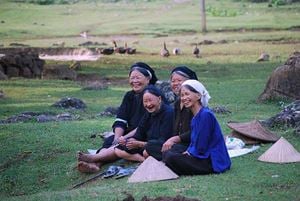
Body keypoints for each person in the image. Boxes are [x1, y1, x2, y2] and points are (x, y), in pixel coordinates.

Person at [77, 62, 158, 173]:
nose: (134, 81)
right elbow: (121, 119)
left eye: (138, 77)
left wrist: (124, 138)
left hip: (145, 134)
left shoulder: (151, 96)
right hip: (130, 132)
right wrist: (117, 137)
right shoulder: (129, 96)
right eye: (132, 78)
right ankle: (96, 165)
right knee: (111, 140)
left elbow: (144, 125)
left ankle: (94, 158)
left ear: (148, 79)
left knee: (122, 144)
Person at [163, 80, 231, 175]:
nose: (184, 98)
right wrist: (188, 151)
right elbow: (194, 141)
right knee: (168, 151)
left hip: (211, 160)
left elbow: (202, 145)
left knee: (171, 157)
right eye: (182, 95)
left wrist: (189, 153)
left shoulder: (205, 115)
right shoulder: (196, 116)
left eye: (187, 94)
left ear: (198, 95)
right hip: (200, 154)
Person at [114, 85, 174, 162]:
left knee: (147, 151)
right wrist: (127, 141)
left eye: (150, 100)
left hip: (160, 147)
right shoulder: (148, 114)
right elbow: (139, 134)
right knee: (118, 150)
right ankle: (143, 160)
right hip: (145, 145)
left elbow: (163, 141)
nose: (148, 104)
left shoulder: (169, 113)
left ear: (159, 99)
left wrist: (139, 144)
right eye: (145, 101)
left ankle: (148, 160)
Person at [161, 66, 198, 154]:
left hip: (192, 144)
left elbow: (197, 131)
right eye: (173, 81)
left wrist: (176, 139)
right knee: (152, 146)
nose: (175, 84)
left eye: (179, 81)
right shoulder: (177, 103)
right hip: (179, 143)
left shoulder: (195, 103)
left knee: (168, 153)